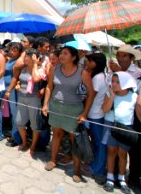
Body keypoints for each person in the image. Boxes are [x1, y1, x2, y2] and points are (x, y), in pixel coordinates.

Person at [42, 46, 94, 183]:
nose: (61, 56)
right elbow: (49, 87)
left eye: (65, 53)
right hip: (56, 106)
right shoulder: (55, 69)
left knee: (74, 140)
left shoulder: (83, 73)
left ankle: (77, 170)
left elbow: (91, 94)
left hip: (74, 109)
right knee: (56, 134)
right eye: (61, 53)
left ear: (74, 57)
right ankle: (53, 160)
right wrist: (45, 104)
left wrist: (84, 113)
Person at [101, 72, 140, 193]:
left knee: (123, 154)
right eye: (113, 81)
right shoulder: (109, 93)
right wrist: (112, 96)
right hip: (111, 125)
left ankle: (122, 178)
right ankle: (110, 177)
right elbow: (105, 110)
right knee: (111, 151)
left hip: (126, 128)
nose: (114, 84)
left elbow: (138, 112)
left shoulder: (133, 96)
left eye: (118, 82)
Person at [11, 49, 43, 156]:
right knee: (19, 122)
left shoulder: (39, 69)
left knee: (34, 124)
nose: (24, 58)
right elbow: (19, 78)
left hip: (34, 99)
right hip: (22, 97)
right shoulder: (23, 68)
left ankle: (33, 146)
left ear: (33, 58)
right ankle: (25, 142)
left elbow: (36, 79)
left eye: (26, 56)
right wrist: (18, 84)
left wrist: (34, 65)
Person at [84, 53, 108, 184]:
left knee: (99, 143)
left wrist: (85, 112)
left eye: (90, 61)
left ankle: (97, 169)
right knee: (95, 141)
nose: (87, 62)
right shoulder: (98, 76)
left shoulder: (98, 77)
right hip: (94, 113)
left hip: (95, 114)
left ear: (96, 63)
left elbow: (91, 96)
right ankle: (94, 164)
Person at [3, 42, 23, 148]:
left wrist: (9, 91)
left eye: (15, 50)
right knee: (11, 114)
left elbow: (15, 78)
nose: (12, 52)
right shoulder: (10, 60)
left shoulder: (18, 62)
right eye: (11, 49)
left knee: (15, 114)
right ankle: (13, 133)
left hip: (12, 90)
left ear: (20, 52)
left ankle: (17, 138)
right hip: (6, 88)